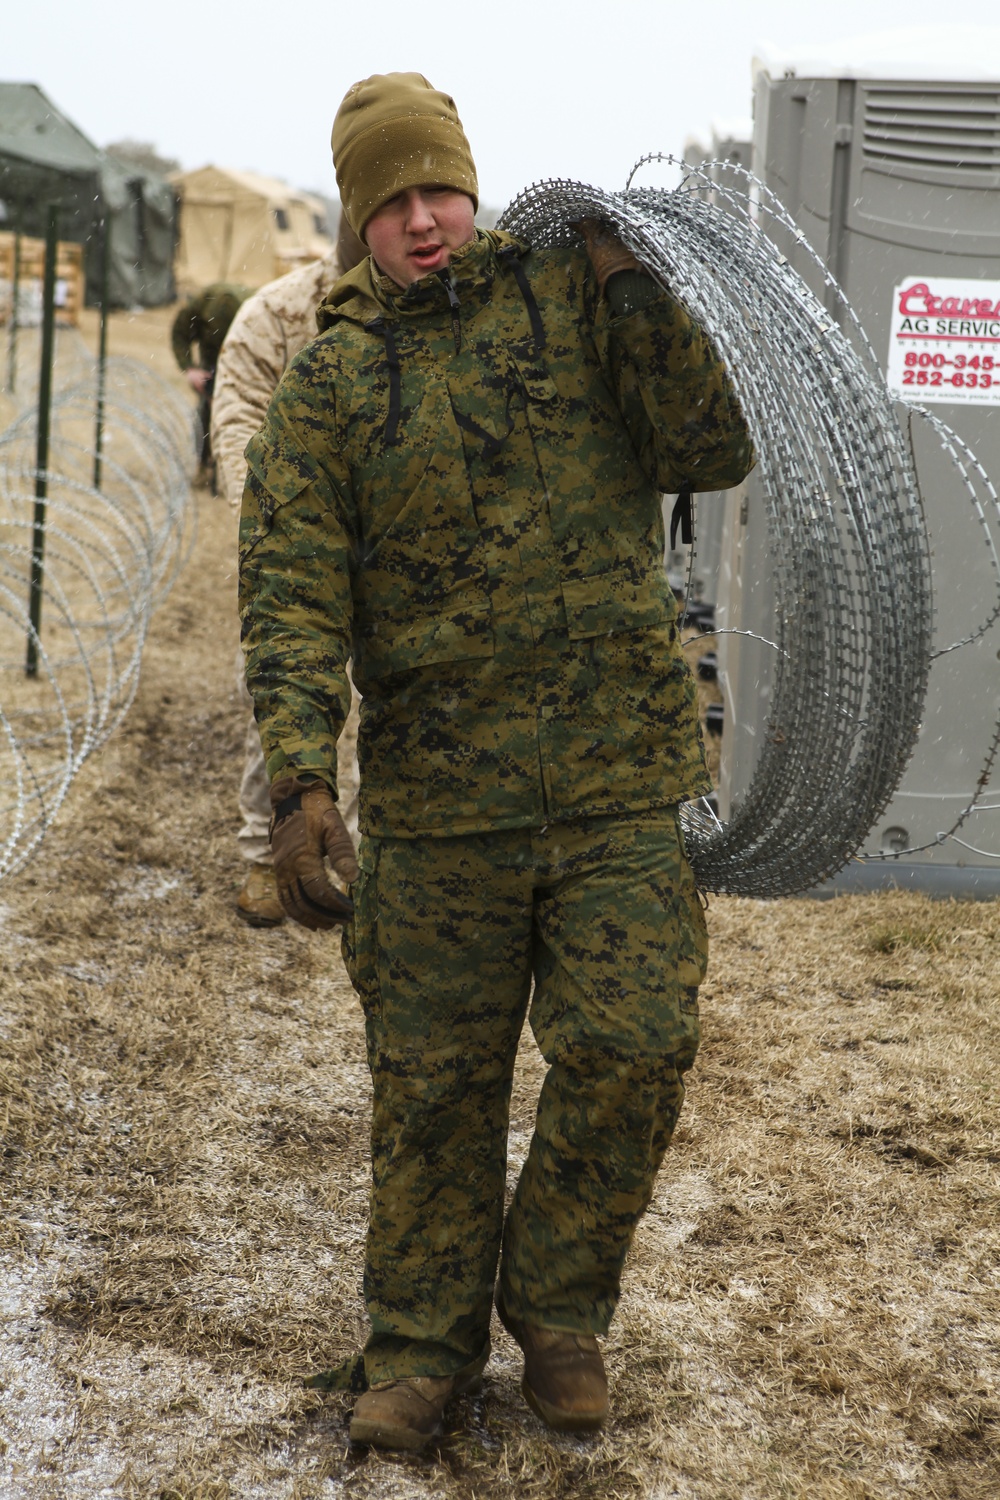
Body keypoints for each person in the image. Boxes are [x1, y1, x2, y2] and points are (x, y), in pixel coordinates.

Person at [238, 72, 754, 1451]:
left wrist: (632, 277)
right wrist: (300, 786)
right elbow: (288, 592)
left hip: (612, 784)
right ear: (359, 218)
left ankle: (561, 1310)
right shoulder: (336, 380)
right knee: (434, 1091)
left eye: (442, 189)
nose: (425, 219)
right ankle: (415, 1350)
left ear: (475, 185)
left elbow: (711, 443)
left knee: (637, 1045)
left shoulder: (573, 301)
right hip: (443, 799)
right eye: (394, 200)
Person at [211, 217, 366, 925]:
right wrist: (284, 526)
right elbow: (238, 422)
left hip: (403, 548)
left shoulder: (446, 312)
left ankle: (370, 853)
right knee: (280, 693)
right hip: (298, 547)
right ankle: (262, 853)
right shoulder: (276, 315)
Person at [171, 281, 249, 488]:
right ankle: (203, 465)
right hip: (210, 358)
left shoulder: (256, 308)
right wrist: (190, 368)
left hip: (241, 359)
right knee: (206, 412)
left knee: (240, 417)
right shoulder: (196, 308)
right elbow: (179, 334)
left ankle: (234, 469)